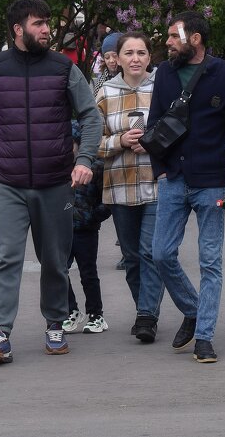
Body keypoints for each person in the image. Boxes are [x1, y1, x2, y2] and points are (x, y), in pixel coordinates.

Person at [0, 0, 104, 364]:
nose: (47, 30)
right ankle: (0, 335)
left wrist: (85, 159)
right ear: (18, 29)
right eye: (39, 24)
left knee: (55, 261)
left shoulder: (62, 68)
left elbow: (91, 116)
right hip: (9, 183)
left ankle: (55, 325)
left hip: (55, 182)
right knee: (6, 258)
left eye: (47, 23)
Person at [148, 11, 225, 364]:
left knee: (211, 261)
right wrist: (160, 171)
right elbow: (154, 125)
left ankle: (204, 336)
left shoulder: (224, 73)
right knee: (160, 253)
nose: (167, 42)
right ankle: (193, 309)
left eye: (172, 36)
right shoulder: (164, 72)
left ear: (194, 38)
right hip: (173, 180)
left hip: (210, 183)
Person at [97, 31, 166, 343]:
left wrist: (153, 142)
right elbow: (90, 143)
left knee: (152, 252)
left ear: (150, 57)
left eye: (141, 53)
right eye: (129, 53)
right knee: (132, 256)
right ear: (117, 58)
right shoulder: (104, 93)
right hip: (119, 185)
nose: (135, 58)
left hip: (159, 183)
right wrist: (120, 140)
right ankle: (144, 309)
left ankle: (147, 316)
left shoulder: (163, 89)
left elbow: (180, 131)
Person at [63, 162, 110, 335]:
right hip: (60, 229)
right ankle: (71, 311)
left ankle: (96, 315)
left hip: (86, 229)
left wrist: (93, 216)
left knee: (88, 273)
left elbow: (107, 196)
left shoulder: (95, 165)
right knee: (59, 271)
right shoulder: (58, 164)